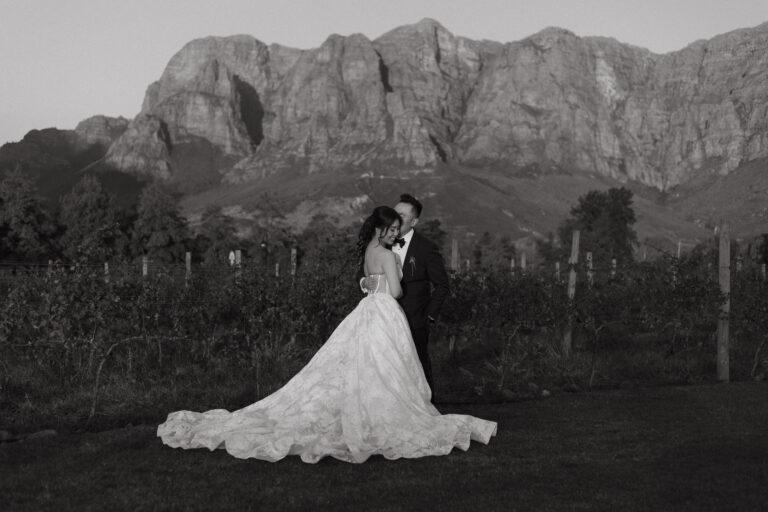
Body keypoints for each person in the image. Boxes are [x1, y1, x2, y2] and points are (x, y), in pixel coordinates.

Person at [157, 206, 496, 463]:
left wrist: (372, 284)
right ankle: (377, 416)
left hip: (366, 310)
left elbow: (366, 283)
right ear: (381, 228)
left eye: (397, 228)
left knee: (364, 366)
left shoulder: (367, 252)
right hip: (385, 312)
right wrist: (393, 282)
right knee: (386, 367)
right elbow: (393, 291)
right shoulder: (388, 255)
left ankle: (367, 411)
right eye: (392, 228)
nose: (395, 233)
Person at [359, 194, 449, 396]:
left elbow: (442, 285)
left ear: (414, 221)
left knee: (417, 368)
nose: (395, 218)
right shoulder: (383, 240)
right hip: (381, 319)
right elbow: (363, 271)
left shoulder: (426, 248)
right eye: (394, 212)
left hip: (414, 319)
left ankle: (426, 408)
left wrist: (429, 317)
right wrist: (364, 282)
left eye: (401, 215)